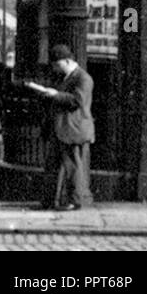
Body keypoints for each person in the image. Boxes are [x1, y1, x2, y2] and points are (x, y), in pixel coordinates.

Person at [25, 44, 95, 210]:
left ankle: (76, 201)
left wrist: (55, 94)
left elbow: (76, 101)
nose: (55, 68)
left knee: (73, 167)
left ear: (68, 60)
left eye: (58, 64)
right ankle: (50, 201)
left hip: (73, 129)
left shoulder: (83, 78)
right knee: (53, 166)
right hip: (61, 129)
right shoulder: (66, 77)